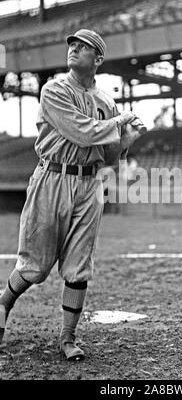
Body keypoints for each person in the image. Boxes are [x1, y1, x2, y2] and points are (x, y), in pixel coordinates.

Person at [0, 29, 142, 361]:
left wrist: (126, 141)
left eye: (83, 47)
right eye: (72, 46)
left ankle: (67, 336)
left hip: (89, 185)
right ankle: (4, 302)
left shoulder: (106, 101)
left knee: (79, 265)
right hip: (52, 178)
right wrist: (120, 121)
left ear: (98, 58)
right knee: (35, 266)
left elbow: (107, 156)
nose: (74, 49)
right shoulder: (54, 90)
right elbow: (80, 131)